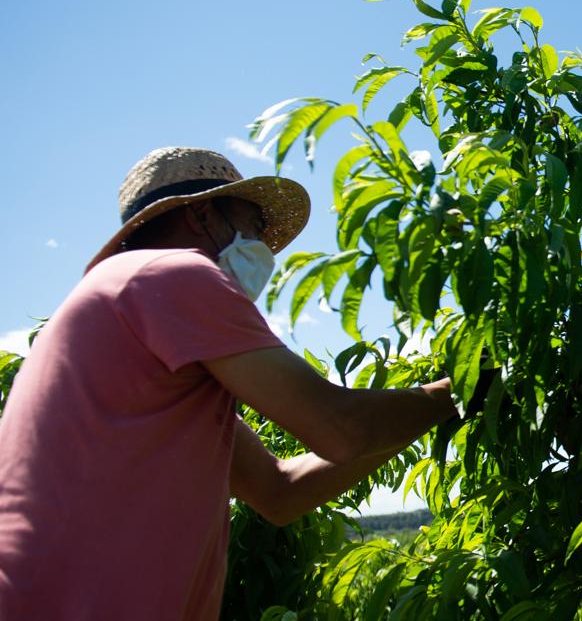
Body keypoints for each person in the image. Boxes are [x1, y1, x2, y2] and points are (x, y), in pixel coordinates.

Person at [0, 147, 467, 620]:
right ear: (203, 213)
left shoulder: (131, 308)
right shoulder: (173, 273)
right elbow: (340, 428)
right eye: (253, 226)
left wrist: (434, 408)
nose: (260, 246)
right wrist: (460, 389)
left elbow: (280, 491)